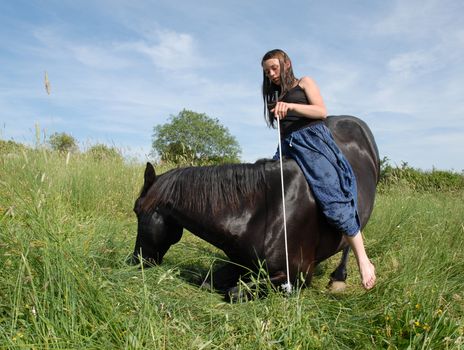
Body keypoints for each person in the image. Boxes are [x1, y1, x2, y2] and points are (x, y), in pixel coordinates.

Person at [261, 49, 376, 290]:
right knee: (266, 189)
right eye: (266, 71)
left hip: (312, 141)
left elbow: (321, 111)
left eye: (274, 67)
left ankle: (363, 260)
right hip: (288, 145)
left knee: (332, 196)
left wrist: (289, 106)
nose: (271, 74)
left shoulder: (305, 82)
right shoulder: (276, 93)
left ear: (286, 63)